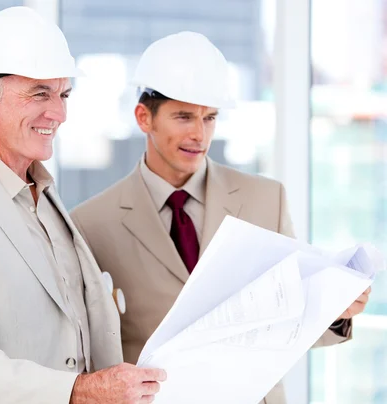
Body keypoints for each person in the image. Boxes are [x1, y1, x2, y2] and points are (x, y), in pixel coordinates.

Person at [70, 31, 370, 404]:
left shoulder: (265, 199)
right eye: (183, 117)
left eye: (209, 118)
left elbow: (294, 317)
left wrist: (336, 311)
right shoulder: (91, 224)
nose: (199, 134)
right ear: (143, 117)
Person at [0, 7, 166, 404]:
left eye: (63, 94)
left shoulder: (43, 192)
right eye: (39, 93)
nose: (59, 114)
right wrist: (83, 391)